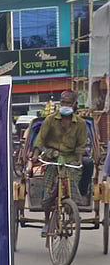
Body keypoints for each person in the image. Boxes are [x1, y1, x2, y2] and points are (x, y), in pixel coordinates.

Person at [36, 90, 88, 234]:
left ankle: (73, 210)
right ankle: (46, 221)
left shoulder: (81, 124)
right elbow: (40, 139)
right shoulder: (50, 120)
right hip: (52, 157)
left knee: (71, 180)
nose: (65, 105)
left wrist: (78, 161)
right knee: (48, 189)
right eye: (63, 102)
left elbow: (81, 146)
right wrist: (34, 153)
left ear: (74, 105)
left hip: (70, 159)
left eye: (68, 103)